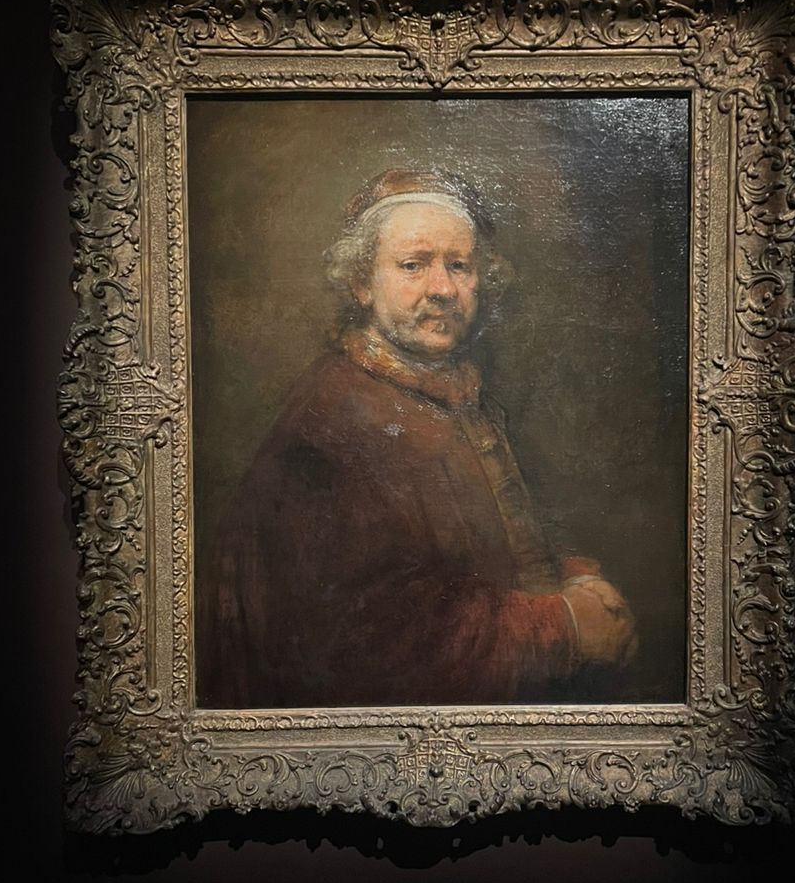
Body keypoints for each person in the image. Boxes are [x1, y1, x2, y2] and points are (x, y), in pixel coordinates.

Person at [197, 168, 637, 708]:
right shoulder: (331, 417)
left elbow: (490, 548)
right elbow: (365, 639)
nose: (443, 289)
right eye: (413, 265)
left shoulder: (462, 395)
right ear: (362, 283)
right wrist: (563, 625)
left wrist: (571, 581)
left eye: (459, 266)